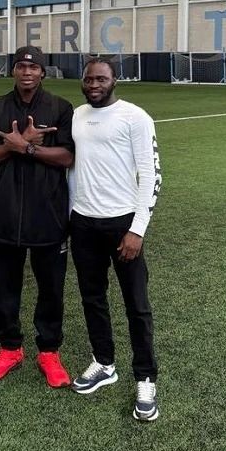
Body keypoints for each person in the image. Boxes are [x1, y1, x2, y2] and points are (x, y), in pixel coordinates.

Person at [69, 58, 162, 421]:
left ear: (114, 81)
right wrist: (69, 218)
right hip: (83, 223)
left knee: (136, 305)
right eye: (89, 78)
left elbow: (152, 175)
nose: (94, 84)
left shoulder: (135, 117)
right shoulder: (76, 116)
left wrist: (137, 229)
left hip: (122, 224)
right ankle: (104, 363)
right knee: (92, 299)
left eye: (101, 78)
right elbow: (73, 170)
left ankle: (146, 377)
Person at [0, 46, 74, 388]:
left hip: (48, 214)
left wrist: (30, 148)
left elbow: (67, 157)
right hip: (5, 213)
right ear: (13, 71)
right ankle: (9, 348)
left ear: (43, 73)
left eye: (34, 68)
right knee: (3, 288)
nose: (27, 73)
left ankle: (49, 351)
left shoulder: (61, 108)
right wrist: (12, 146)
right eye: (21, 67)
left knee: (51, 289)